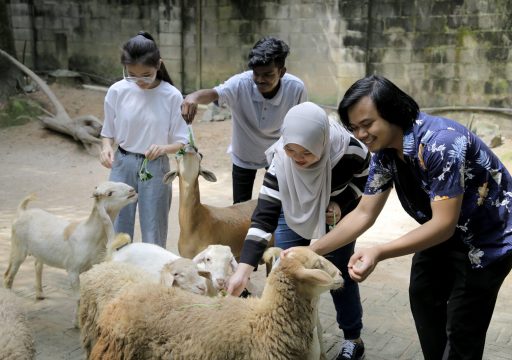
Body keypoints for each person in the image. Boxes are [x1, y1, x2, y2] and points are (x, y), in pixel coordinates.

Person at [308, 75, 512, 360]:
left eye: (367, 124)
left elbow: (442, 225)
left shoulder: (441, 143)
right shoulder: (385, 152)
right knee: (423, 296)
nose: (362, 134)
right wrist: (310, 251)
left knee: (462, 327)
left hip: (486, 242)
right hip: (443, 233)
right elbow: (364, 212)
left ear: (393, 113)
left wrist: (378, 251)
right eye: (355, 128)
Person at [227, 102, 371, 360]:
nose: (297, 159)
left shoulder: (349, 151)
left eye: (306, 152)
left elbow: (366, 178)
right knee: (286, 269)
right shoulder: (281, 162)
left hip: (335, 214)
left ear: (322, 143)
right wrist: (243, 269)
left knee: (338, 272)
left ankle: (353, 338)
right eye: (291, 150)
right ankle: (294, 335)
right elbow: (263, 216)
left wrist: (343, 202)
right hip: (294, 209)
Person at [181, 36, 307, 204]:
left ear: (282, 72)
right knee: (239, 206)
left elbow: (302, 125)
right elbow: (215, 93)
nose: (260, 80)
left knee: (280, 203)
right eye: (256, 74)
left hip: (279, 154)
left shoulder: (296, 88)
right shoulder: (240, 84)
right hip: (244, 152)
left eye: (268, 74)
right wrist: (193, 97)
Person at [99, 31, 188, 248]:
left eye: (146, 75)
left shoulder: (172, 95)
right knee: (118, 224)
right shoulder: (117, 91)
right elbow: (107, 131)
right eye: (132, 75)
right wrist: (106, 148)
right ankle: (119, 272)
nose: (140, 81)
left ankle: (152, 276)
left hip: (155, 166)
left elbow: (183, 142)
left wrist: (164, 148)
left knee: (153, 227)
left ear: (159, 65)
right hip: (122, 163)